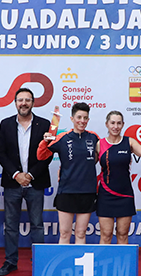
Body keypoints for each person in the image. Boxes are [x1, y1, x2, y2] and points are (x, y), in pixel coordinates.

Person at [0, 88, 52, 276]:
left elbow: (48, 154)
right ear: (15, 103)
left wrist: (30, 175)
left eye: (28, 100)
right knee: (11, 225)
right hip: (13, 183)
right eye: (20, 100)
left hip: (35, 183)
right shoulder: (5, 124)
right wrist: (17, 174)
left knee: (37, 224)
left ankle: (40, 262)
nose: (24, 103)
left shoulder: (45, 124)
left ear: (33, 103)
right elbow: (1, 154)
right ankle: (11, 261)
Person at [37, 102, 99, 245]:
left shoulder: (94, 137)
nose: (82, 121)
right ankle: (64, 266)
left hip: (87, 192)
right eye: (79, 117)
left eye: (85, 118)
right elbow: (41, 156)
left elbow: (101, 156)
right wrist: (44, 141)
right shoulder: (62, 138)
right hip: (67, 192)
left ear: (88, 120)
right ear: (72, 119)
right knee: (64, 233)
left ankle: (80, 268)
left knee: (81, 233)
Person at [97, 111, 141, 244]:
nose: (115, 126)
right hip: (105, 195)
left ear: (123, 125)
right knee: (106, 235)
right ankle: (104, 264)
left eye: (118, 123)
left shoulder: (129, 142)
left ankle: (122, 265)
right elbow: (86, 164)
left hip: (125, 195)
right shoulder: (100, 144)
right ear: (107, 124)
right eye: (112, 123)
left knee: (122, 234)